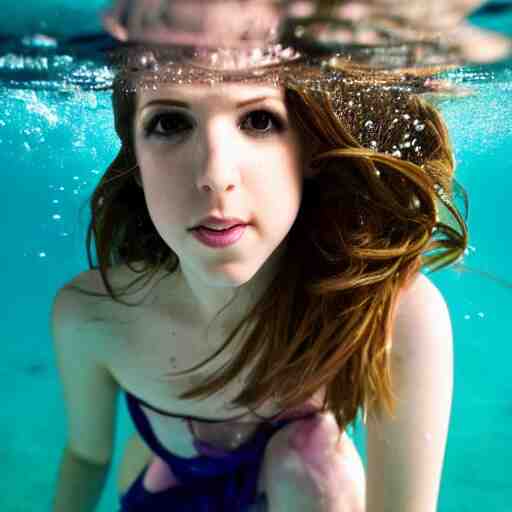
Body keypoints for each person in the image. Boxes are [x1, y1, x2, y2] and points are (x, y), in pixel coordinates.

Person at [50, 40, 467, 512]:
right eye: (169, 123)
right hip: (164, 491)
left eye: (258, 120)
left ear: (307, 149)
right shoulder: (91, 315)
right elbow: (86, 457)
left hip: (303, 492)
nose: (215, 174)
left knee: (312, 468)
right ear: (137, 164)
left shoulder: (393, 313)